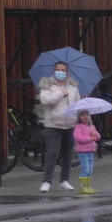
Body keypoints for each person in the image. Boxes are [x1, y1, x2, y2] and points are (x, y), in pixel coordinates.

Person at [37, 60, 80, 193]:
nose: (60, 72)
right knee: (52, 153)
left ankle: (64, 180)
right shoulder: (47, 84)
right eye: (58, 69)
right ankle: (46, 181)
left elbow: (77, 102)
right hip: (53, 124)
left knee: (68, 154)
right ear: (54, 70)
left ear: (67, 72)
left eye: (63, 70)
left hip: (70, 124)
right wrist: (61, 94)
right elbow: (45, 100)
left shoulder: (72, 85)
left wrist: (80, 113)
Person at [73, 109, 101, 194]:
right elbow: (78, 138)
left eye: (87, 115)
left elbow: (98, 137)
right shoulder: (78, 126)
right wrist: (90, 138)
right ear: (79, 117)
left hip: (91, 151)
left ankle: (88, 186)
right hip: (83, 151)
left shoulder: (92, 126)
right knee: (86, 169)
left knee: (90, 170)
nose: (85, 117)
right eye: (83, 115)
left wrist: (94, 134)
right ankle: (83, 187)